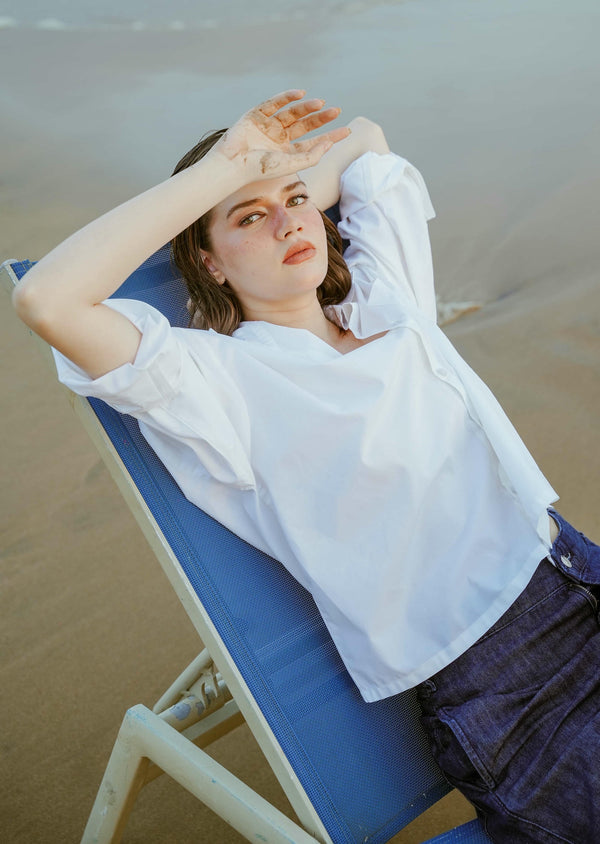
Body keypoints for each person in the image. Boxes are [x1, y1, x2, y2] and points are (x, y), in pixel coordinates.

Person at [13, 90, 600, 843]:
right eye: (250, 220)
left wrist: (271, 178)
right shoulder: (220, 388)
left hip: (574, 573)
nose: (292, 222)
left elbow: (366, 139)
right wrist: (219, 173)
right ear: (207, 261)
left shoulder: (387, 298)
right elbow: (50, 301)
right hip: (510, 695)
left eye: (298, 203)